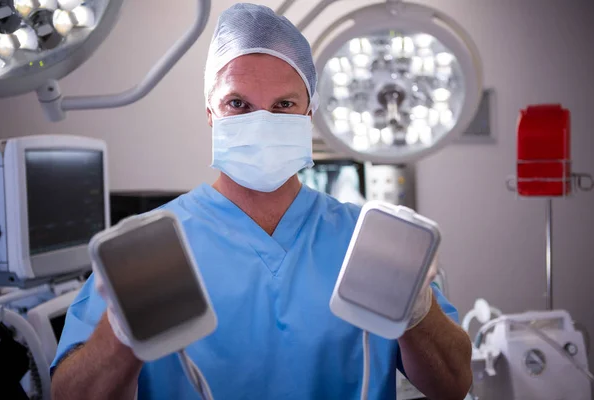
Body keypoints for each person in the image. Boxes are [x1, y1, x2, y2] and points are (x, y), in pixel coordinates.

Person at [50, 3, 472, 400]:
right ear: (211, 114)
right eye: (238, 104)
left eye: (284, 105)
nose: (262, 121)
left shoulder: (364, 239)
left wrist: (418, 310)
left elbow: (452, 386)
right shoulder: (153, 246)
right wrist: (119, 335)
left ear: (309, 113)